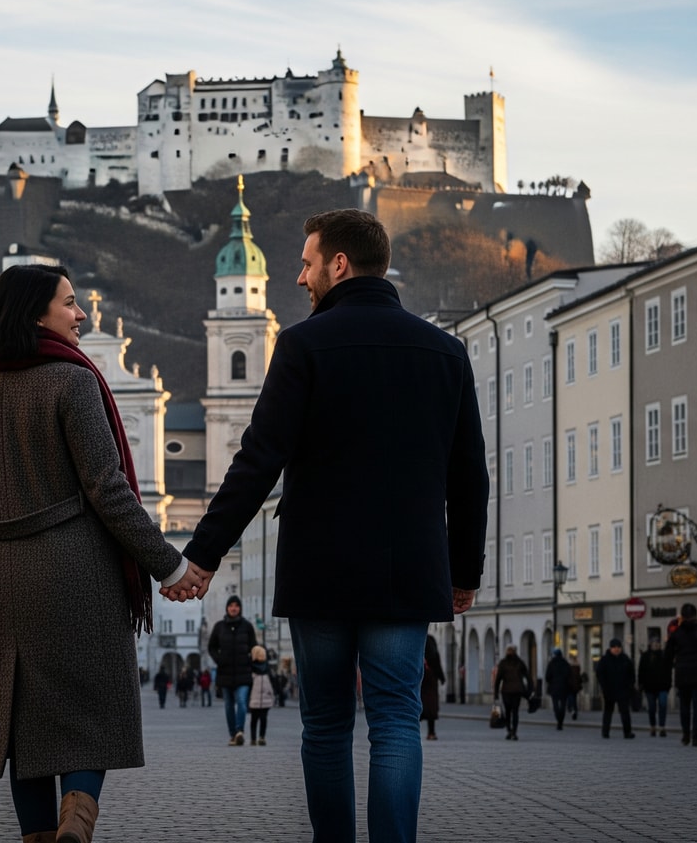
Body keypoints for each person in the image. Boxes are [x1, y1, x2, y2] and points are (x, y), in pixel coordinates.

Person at [173, 209, 489, 843]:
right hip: (407, 568)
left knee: (325, 724)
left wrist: (201, 556)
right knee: (397, 721)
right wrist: (464, 573)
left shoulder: (303, 346)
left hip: (321, 568)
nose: (300, 276)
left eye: (308, 262)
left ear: (338, 265)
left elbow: (257, 460)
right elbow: (470, 477)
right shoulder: (445, 352)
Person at [0, 264, 191, 843]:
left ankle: (38, 836)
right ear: (37, 314)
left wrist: (8, 521)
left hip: (0, 583)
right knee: (91, 711)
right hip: (75, 574)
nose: (80, 314)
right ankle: (77, 821)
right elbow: (108, 490)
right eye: (70, 303)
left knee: (19, 723)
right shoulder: (73, 382)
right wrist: (172, 566)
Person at [208, 596, 258, 746]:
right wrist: (219, 659)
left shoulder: (247, 626)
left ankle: (239, 731)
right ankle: (233, 734)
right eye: (231, 606)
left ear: (240, 608)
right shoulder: (219, 627)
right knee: (229, 705)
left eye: (236, 606)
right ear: (227, 608)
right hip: (225, 673)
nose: (234, 608)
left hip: (244, 672)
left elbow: (254, 647)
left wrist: (252, 662)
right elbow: (211, 647)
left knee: (242, 702)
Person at [665, 602, 697, 747]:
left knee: (684, 706)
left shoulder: (677, 633)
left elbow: (668, 655)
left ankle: (685, 735)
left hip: (683, 674)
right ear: (695, 615)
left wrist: (672, 668)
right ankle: (696, 737)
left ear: (682, 616)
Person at [595, 639, 636, 739]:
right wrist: (604, 686)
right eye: (614, 647)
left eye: (618, 647)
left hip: (623, 690)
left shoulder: (625, 659)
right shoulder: (605, 660)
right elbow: (600, 674)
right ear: (610, 648)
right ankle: (605, 732)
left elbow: (632, 674)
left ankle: (627, 732)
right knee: (608, 712)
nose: (616, 649)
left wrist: (630, 686)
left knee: (625, 712)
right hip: (609, 690)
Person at [493, 646, 533, 741]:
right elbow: (527, 676)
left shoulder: (503, 663)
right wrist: (530, 690)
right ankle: (514, 732)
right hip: (517, 691)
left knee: (507, 712)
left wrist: (496, 693)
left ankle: (509, 731)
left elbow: (498, 679)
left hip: (506, 691)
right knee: (515, 712)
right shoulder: (519, 662)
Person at [637, 636, 673, 737]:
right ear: (650, 644)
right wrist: (641, 684)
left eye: (657, 643)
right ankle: (652, 726)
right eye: (654, 643)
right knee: (652, 708)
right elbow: (641, 671)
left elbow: (669, 671)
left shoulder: (664, 655)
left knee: (662, 705)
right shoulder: (645, 656)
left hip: (663, 686)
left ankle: (662, 727)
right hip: (649, 687)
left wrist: (668, 684)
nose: (656, 644)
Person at [247, 645, 276, 745]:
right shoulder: (253, 666)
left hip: (263, 697)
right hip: (256, 697)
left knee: (260, 719)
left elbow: (273, 681)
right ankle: (254, 738)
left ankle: (260, 738)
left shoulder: (264, 667)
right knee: (256, 719)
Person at [544, 648, 574, 731]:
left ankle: (558, 720)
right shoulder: (565, 663)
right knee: (563, 705)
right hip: (564, 687)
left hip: (554, 687)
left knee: (556, 705)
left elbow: (547, 676)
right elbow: (570, 675)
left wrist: (551, 682)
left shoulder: (551, 664)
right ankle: (561, 721)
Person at [420, 635, 444, 740]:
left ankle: (412, 731)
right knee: (431, 708)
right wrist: (441, 677)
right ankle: (431, 732)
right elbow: (436, 661)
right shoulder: (430, 642)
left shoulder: (419, 640)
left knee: (416, 705)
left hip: (419, 678)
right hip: (431, 679)